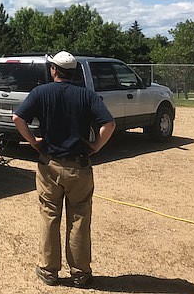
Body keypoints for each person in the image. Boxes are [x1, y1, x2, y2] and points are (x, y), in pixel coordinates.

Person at [12, 51, 116, 288]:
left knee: (50, 216)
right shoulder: (86, 95)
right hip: (79, 167)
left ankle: (49, 271)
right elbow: (109, 124)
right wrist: (96, 147)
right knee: (79, 218)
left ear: (54, 70)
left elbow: (18, 118)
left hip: (49, 165)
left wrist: (32, 141)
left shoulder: (41, 92)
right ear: (73, 72)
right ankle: (80, 273)